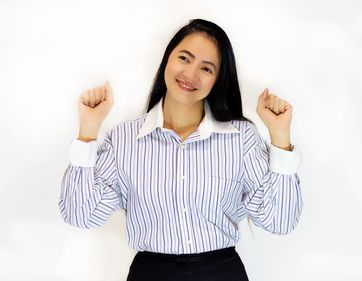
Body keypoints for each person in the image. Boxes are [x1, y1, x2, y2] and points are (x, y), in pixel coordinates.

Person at [59, 19, 303, 281]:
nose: (191, 74)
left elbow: (279, 222)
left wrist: (280, 137)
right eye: (184, 58)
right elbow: (81, 216)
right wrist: (88, 130)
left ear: (217, 79)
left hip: (222, 273)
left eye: (207, 68)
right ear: (167, 59)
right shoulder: (123, 139)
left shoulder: (240, 138)